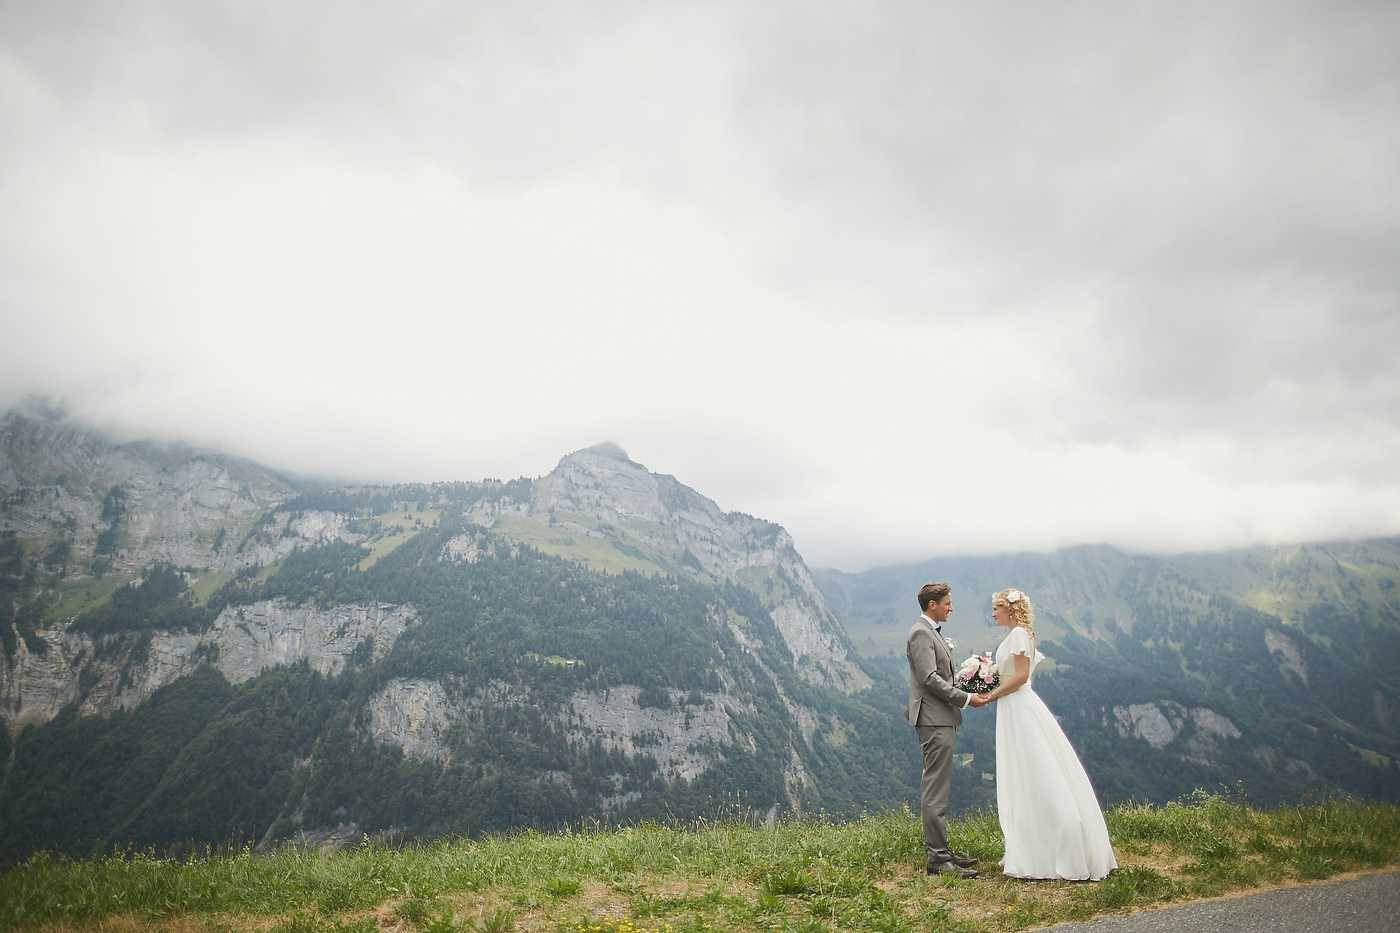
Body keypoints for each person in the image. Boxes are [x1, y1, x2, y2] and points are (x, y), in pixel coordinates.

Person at [981, 588, 1117, 880]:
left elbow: (1019, 677)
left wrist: (990, 694)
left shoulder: (1018, 634)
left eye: (996, 608)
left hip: (1018, 707)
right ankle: (1035, 848)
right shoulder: (1022, 633)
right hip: (1015, 709)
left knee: (1036, 771)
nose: (993, 613)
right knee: (1026, 773)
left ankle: (1056, 848)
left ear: (1011, 609)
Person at [906, 582, 989, 877]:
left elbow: (940, 677)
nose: (951, 607)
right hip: (933, 719)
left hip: (941, 716)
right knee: (935, 789)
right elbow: (929, 679)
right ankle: (938, 860)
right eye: (947, 603)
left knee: (938, 787)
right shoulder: (920, 633)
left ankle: (943, 853)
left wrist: (973, 681)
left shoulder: (929, 633)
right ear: (932, 605)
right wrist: (966, 698)